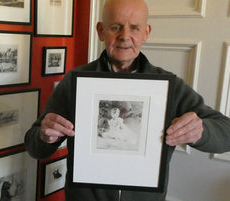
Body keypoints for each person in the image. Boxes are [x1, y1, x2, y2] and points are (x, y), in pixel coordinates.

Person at [24, 0, 230, 200]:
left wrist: (201, 131)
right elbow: (34, 147)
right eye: (115, 27)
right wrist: (44, 136)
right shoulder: (75, 82)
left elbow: (226, 131)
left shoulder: (170, 87)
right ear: (100, 31)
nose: (125, 36)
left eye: (134, 28)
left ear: (146, 33)